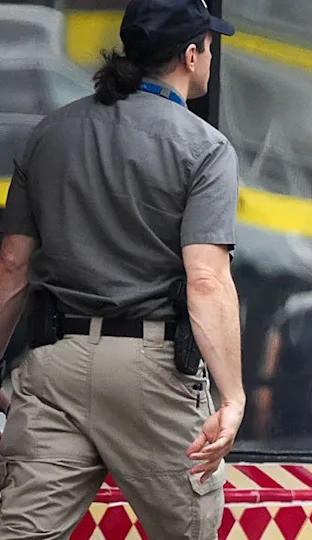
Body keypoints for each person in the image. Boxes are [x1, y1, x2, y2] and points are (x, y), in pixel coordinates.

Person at [0, 0, 244, 537]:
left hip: (54, 364)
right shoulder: (205, 148)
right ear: (190, 56)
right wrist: (232, 398)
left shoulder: (49, 133)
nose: (210, 57)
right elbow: (206, 280)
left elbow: (13, 265)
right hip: (151, 372)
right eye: (209, 46)